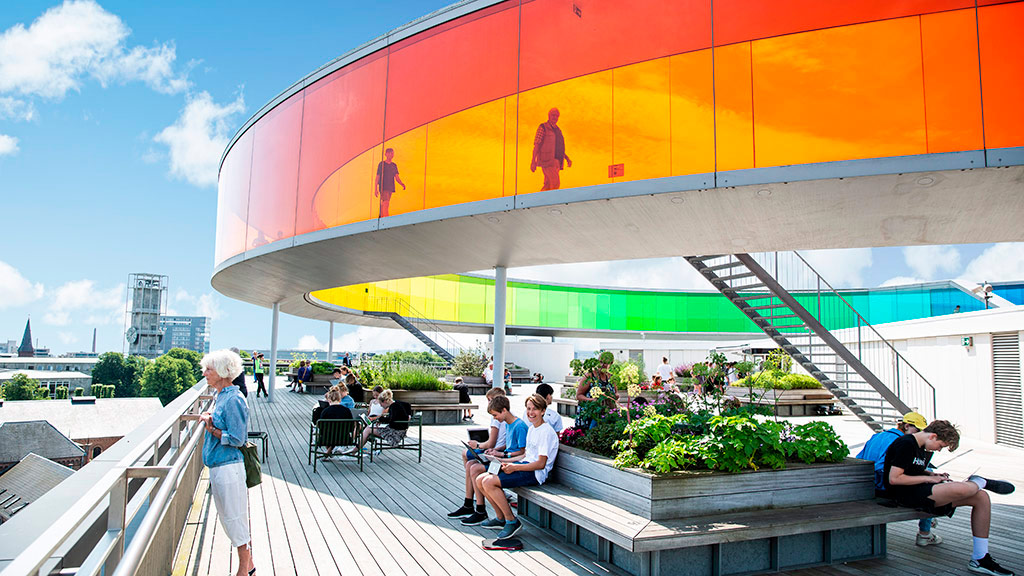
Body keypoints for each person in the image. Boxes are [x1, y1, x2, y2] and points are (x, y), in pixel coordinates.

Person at [884, 420, 1016, 575]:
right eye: (941, 446)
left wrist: (932, 474)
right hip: (903, 494)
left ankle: (980, 558)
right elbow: (895, 479)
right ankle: (980, 481)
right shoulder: (906, 444)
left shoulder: (922, 447)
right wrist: (929, 479)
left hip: (919, 490)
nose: (939, 450)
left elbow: (911, 469)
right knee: (961, 488)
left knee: (981, 497)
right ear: (933, 436)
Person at [198, 349, 254, 576]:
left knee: (234, 518)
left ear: (222, 372)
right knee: (228, 518)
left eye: (209, 369)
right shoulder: (221, 396)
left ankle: (243, 569)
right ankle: (250, 566)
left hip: (229, 466)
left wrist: (212, 429)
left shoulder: (233, 399)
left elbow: (238, 438)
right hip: (218, 465)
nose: (204, 373)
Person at [474, 394, 560, 540]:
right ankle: (501, 518)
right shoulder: (533, 429)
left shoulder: (546, 432)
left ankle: (511, 521)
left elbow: (540, 464)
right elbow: (525, 455)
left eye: (535, 409)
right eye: (528, 409)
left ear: (543, 411)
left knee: (489, 482)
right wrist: (504, 461)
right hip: (524, 466)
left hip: (535, 473)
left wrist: (515, 467)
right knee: (480, 479)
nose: (531, 413)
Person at [855, 412, 940, 545]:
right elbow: (883, 468)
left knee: (928, 477)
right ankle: (925, 532)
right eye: (918, 430)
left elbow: (860, 458)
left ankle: (929, 520)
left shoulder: (878, 436)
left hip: (866, 484)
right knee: (931, 486)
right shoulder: (901, 442)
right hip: (882, 487)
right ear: (907, 426)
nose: (920, 434)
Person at [454, 395, 529, 526]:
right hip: (502, 458)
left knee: (475, 469)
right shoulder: (509, 424)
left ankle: (482, 511)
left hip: (511, 462)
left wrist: (502, 455)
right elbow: (509, 445)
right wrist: (495, 450)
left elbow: (522, 452)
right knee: (471, 463)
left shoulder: (519, 426)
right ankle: (478, 508)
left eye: (495, 415)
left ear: (504, 410)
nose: (495, 418)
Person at [347, 389, 411, 454]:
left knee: (368, 429)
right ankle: (356, 449)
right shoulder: (396, 404)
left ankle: (355, 449)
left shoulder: (394, 407)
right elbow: (393, 418)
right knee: (368, 429)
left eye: (381, 404)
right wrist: (381, 420)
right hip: (397, 430)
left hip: (395, 433)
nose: (381, 406)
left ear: (385, 401)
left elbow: (392, 420)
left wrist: (381, 420)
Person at [530, 107, 572, 191]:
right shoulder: (543, 127)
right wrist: (533, 161)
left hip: (557, 162)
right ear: (549, 116)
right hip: (547, 161)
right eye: (553, 115)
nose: (555, 117)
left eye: (557, 116)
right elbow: (537, 144)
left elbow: (559, 148)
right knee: (555, 183)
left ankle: (541, 198)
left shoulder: (558, 130)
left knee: (548, 185)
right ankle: (552, 199)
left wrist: (567, 158)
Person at [375, 147, 406, 217]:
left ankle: (382, 217)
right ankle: (386, 218)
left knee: (384, 203)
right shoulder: (382, 164)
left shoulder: (394, 165)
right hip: (384, 186)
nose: (391, 155)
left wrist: (402, 184)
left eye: (392, 153)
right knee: (386, 203)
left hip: (391, 187)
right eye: (389, 153)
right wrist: (375, 188)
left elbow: (397, 177)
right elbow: (377, 176)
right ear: (386, 154)